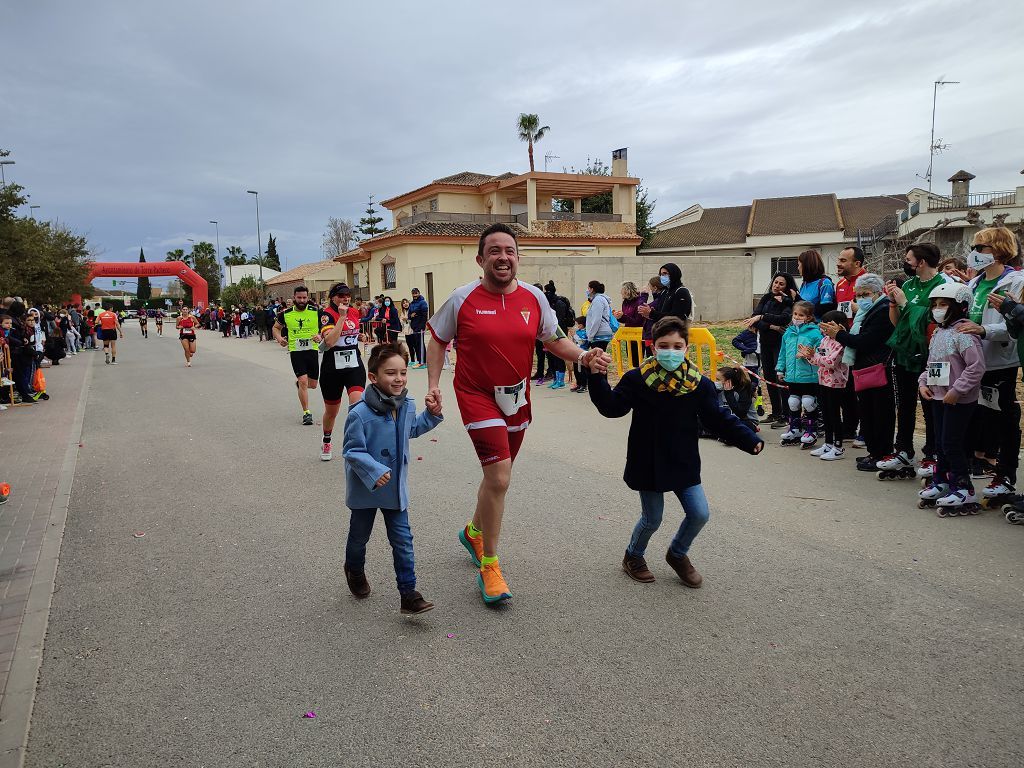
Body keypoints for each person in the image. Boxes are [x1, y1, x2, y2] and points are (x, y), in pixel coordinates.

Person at [424, 222, 611, 604]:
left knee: (498, 480)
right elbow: (438, 341)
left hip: (517, 398)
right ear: (481, 259)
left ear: (518, 258)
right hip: (476, 395)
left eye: (509, 250)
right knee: (500, 475)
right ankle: (490, 566)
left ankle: (474, 533)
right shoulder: (462, 299)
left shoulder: (533, 298)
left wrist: (584, 356)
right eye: (494, 250)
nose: (503, 257)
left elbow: (554, 340)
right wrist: (432, 385)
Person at [588, 316, 763, 587]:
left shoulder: (699, 384)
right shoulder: (637, 379)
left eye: (677, 345)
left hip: (683, 459)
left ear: (686, 348)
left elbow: (716, 418)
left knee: (699, 513)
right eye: (664, 345)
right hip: (648, 460)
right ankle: (633, 556)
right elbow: (612, 407)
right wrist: (596, 377)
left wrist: (748, 438)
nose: (671, 351)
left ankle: (678, 554)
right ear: (653, 347)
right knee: (652, 518)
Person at [341, 342, 443, 614]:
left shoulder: (406, 404)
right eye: (390, 373)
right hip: (367, 487)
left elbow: (411, 429)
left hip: (395, 488)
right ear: (373, 377)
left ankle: (408, 594)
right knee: (359, 537)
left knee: (402, 540)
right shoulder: (359, 413)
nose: (398, 379)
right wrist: (374, 470)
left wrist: (431, 416)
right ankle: (354, 569)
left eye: (403, 372)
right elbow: (351, 450)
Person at [958, 227, 1024, 497]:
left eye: (981, 248)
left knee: (1004, 420)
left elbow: (1016, 327)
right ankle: (969, 468)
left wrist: (984, 331)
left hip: (1001, 362)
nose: (975, 254)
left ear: (998, 250)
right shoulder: (975, 282)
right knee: (977, 418)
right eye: (974, 248)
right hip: (972, 362)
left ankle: (1005, 475)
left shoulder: (1017, 282)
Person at [879, 243, 951, 477]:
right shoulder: (908, 285)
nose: (905, 262)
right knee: (905, 404)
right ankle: (904, 450)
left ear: (921, 262)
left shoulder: (943, 285)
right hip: (905, 353)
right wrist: (893, 302)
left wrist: (904, 303)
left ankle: (933, 454)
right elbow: (897, 322)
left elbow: (934, 318)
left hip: (932, 355)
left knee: (932, 406)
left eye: (908, 259)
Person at [917, 283, 986, 513]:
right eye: (935, 305)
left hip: (958, 399)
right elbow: (932, 364)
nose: (938, 309)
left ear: (960, 306)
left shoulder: (964, 333)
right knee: (939, 443)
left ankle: (964, 487)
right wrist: (923, 382)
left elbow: (976, 367)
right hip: (937, 396)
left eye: (944, 304)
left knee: (951, 442)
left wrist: (957, 390)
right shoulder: (938, 332)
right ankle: (943, 480)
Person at [821, 274, 895, 471]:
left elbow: (865, 341)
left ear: (878, 292)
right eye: (858, 294)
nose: (861, 298)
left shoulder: (882, 310)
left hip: (876, 368)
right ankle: (874, 452)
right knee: (868, 412)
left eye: (866, 294)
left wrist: (839, 335)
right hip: (864, 368)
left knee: (879, 414)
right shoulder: (866, 313)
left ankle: (882, 452)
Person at [318, 283, 367, 461]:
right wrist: (341, 317)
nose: (346, 298)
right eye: (341, 295)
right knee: (332, 411)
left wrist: (359, 336)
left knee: (357, 405)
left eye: (348, 295)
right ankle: (327, 440)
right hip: (333, 366)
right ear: (333, 297)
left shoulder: (354, 312)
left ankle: (356, 444)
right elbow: (330, 341)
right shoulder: (326, 315)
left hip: (353, 362)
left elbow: (352, 332)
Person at [748, 272, 798, 427]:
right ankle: (775, 412)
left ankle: (786, 414)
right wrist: (771, 325)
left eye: (781, 284)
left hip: (780, 344)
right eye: (775, 282)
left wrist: (763, 317)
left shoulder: (788, 302)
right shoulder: (766, 298)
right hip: (765, 343)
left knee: (780, 377)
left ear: (787, 286)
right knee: (769, 377)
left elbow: (784, 318)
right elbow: (754, 319)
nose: (777, 286)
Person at [800, 309, 850, 460]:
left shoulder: (841, 342)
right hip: (822, 380)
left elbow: (831, 362)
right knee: (826, 414)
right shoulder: (824, 340)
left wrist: (814, 356)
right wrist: (809, 356)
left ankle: (838, 446)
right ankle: (828, 443)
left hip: (836, 383)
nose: (823, 329)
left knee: (834, 415)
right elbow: (819, 361)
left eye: (827, 325)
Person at [273, 285, 323, 426]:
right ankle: (306, 413)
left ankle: (301, 385)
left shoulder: (316, 311)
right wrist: (280, 339)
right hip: (296, 351)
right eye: (299, 297)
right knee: (303, 381)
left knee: (312, 385)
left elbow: (325, 328)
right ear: (294, 297)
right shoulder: (286, 313)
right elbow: (276, 328)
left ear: (308, 298)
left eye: (304, 297)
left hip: (312, 350)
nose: (302, 300)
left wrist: (320, 335)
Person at [776, 301, 822, 448]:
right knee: (793, 402)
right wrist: (780, 369)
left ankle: (811, 430)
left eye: (801, 315)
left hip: (809, 376)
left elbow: (821, 351)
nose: (796, 317)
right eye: (795, 314)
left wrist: (809, 354)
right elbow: (783, 352)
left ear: (808, 317)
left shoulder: (815, 333)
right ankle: (795, 429)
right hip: (792, 375)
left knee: (808, 403)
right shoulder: (788, 333)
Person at [577, 281, 616, 394]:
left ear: (592, 289)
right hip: (599, 334)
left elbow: (596, 319)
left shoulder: (598, 300)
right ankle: (602, 385)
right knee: (599, 360)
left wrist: (590, 335)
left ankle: (602, 386)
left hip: (599, 334)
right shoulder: (598, 300)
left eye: (588, 288)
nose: (587, 290)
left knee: (598, 360)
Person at [638, 263, 692, 328]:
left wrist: (652, 313)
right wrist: (651, 313)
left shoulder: (681, 291)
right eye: (661, 274)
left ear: (674, 274)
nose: (662, 277)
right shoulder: (666, 292)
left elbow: (677, 317)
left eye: (665, 274)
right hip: (663, 331)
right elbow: (662, 313)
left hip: (675, 333)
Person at [543, 281, 574, 390]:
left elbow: (559, 321)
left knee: (559, 356)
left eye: (547, 292)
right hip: (551, 333)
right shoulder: (550, 302)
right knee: (552, 356)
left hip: (559, 332)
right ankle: (556, 379)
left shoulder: (559, 303)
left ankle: (561, 381)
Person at [797, 249, 837, 319]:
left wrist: (798, 299)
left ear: (807, 266)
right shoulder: (804, 283)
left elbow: (825, 309)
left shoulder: (825, 283)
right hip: (803, 326)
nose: (798, 268)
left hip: (817, 326)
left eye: (799, 265)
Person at [717, 366, 758, 433]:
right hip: (728, 420)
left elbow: (741, 413)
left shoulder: (743, 391)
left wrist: (729, 393)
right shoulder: (718, 390)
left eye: (718, 379)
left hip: (746, 420)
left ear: (728, 381)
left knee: (734, 426)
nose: (716, 382)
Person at [615, 281, 646, 367]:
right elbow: (626, 320)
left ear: (627, 291)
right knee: (631, 359)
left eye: (622, 290)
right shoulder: (625, 302)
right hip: (628, 334)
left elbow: (638, 321)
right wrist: (619, 317)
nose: (620, 292)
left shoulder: (640, 302)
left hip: (638, 334)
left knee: (638, 360)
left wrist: (623, 316)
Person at [407, 289, 429, 368]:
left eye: (416, 293)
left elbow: (424, 315)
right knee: (416, 344)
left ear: (419, 293)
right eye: (413, 293)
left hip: (420, 326)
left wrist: (422, 326)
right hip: (414, 326)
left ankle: (423, 362)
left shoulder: (423, 302)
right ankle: (419, 360)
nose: (414, 295)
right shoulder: (412, 303)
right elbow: (409, 315)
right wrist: (411, 316)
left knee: (420, 344)